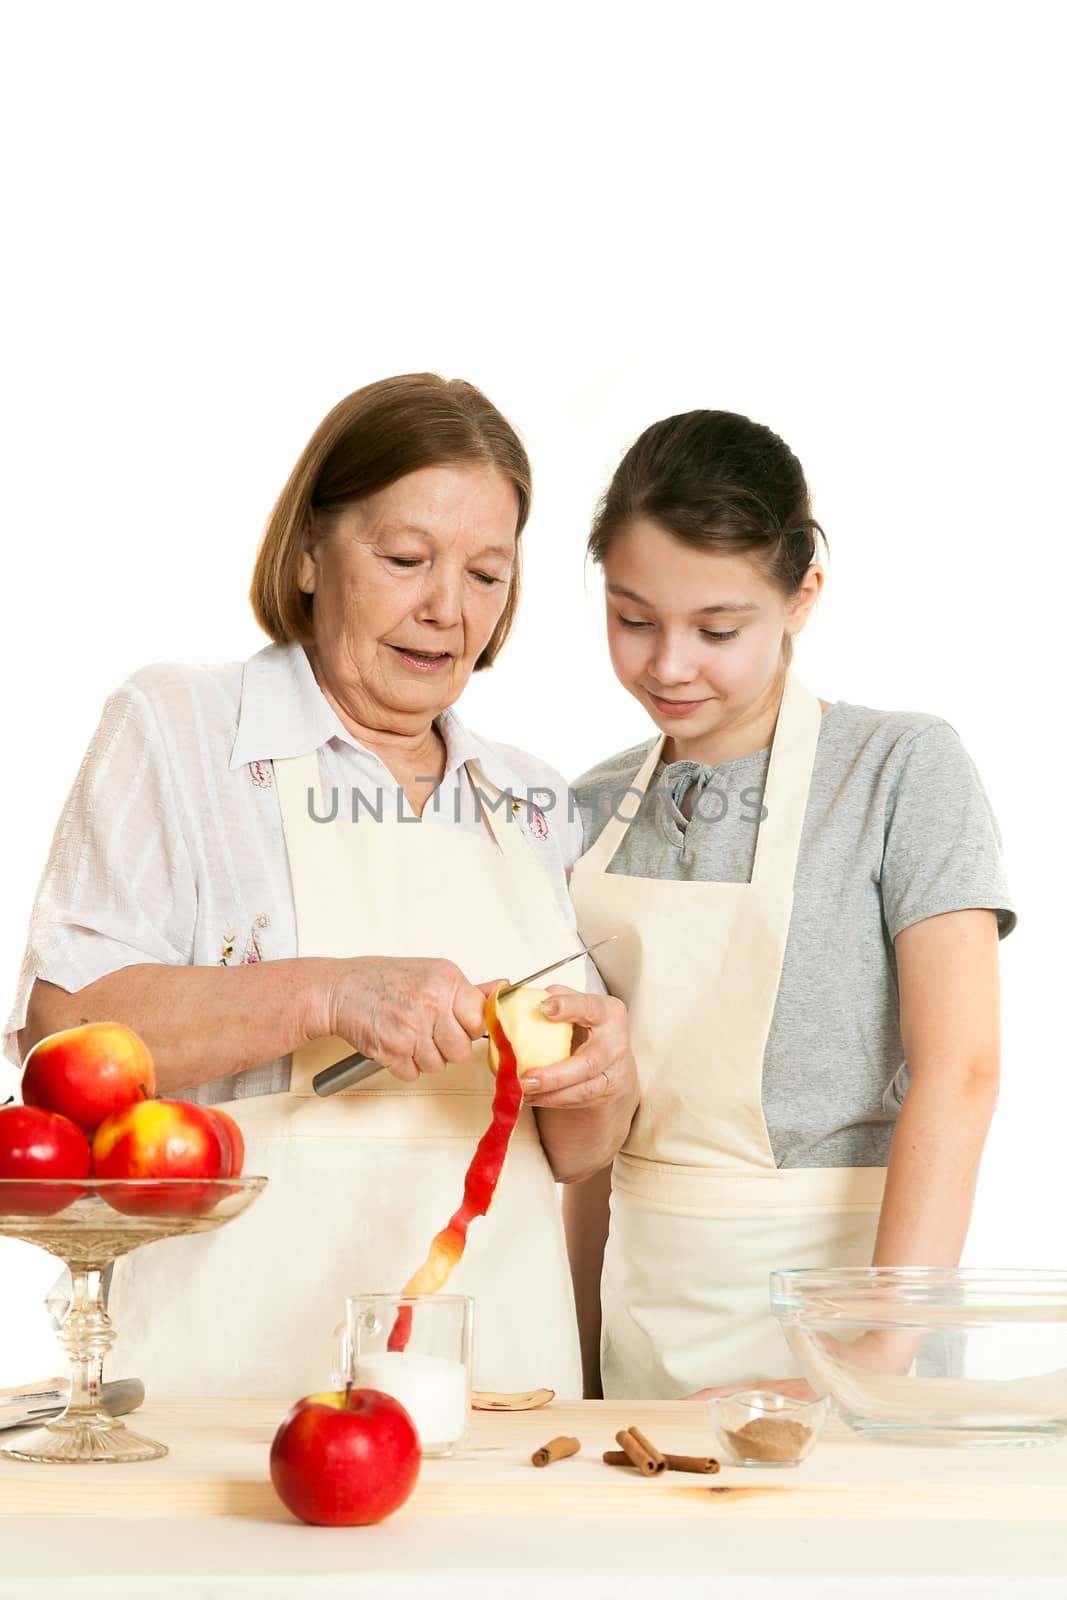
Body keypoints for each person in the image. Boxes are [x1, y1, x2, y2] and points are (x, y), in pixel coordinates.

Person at [5, 374, 638, 1398]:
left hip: (496, 1378)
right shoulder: (181, 728)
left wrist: (602, 1080)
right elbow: (65, 1032)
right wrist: (327, 994)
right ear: (307, 552)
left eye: (486, 572)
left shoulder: (530, 797)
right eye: (403, 559)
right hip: (234, 1372)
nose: (445, 609)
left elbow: (570, 1154)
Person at [564, 409, 1013, 1400]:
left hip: (847, 1321)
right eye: (632, 618)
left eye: (716, 629)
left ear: (801, 595)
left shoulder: (899, 771)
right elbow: (588, 1129)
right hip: (647, 1326)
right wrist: (578, 1350)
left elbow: (962, 1070)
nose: (668, 665)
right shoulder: (589, 810)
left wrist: (870, 1360)